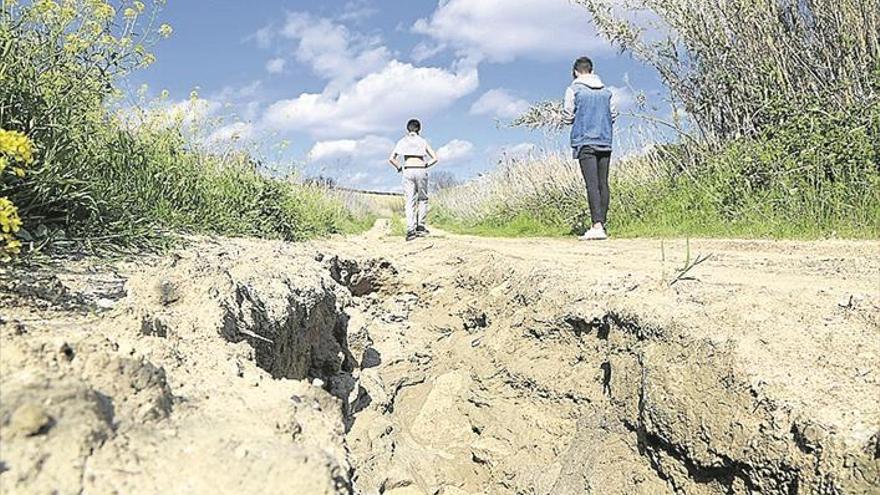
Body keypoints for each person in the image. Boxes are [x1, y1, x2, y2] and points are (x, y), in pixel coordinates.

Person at [563, 56, 618, 241]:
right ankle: (602, 223)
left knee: (592, 184)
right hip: (605, 140)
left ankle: (596, 226)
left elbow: (568, 115)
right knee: (603, 183)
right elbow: (613, 114)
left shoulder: (573, 90)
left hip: (585, 141)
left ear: (576, 72)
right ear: (592, 70)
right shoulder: (607, 92)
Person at [389, 119, 439, 241]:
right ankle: (421, 226)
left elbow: (391, 159)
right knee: (422, 198)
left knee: (409, 200)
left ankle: (410, 229)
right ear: (419, 129)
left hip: (408, 169)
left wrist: (399, 167)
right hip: (421, 168)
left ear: (408, 129)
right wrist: (426, 165)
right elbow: (435, 158)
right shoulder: (422, 141)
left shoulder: (402, 141)